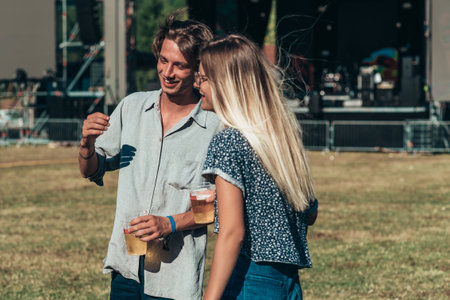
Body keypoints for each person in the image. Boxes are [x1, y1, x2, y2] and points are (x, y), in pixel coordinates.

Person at [78, 12, 219, 299]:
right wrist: (86, 146)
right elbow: (91, 170)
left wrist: (170, 223)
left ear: (198, 70)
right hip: (126, 266)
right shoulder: (131, 107)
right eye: (163, 60)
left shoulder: (214, 126)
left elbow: (223, 207)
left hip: (175, 276)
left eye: (179, 66)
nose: (167, 72)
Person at [195, 34, 319, 299]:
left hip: (249, 279)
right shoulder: (282, 140)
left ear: (226, 84)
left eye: (204, 78)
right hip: (288, 283)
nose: (198, 85)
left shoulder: (229, 141)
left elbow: (232, 233)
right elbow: (310, 213)